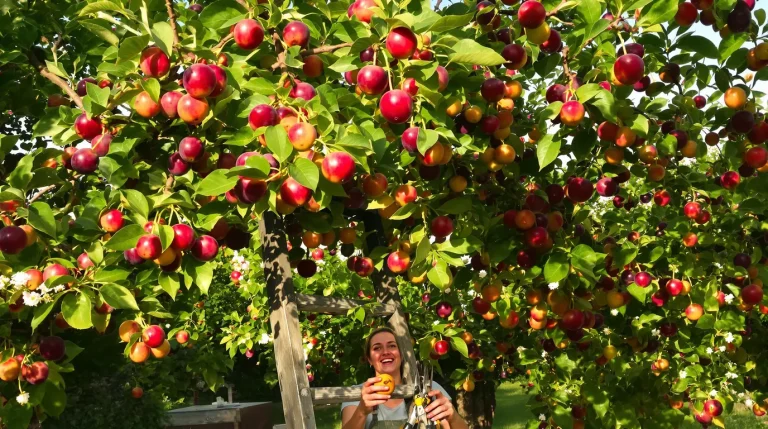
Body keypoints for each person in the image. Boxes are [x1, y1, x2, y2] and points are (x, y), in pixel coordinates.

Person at [341, 327, 468, 429]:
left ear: (401, 354)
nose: (385, 352)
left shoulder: (429, 387)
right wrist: (361, 412)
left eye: (392, 346)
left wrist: (453, 417)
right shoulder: (358, 394)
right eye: (377, 348)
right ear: (369, 359)